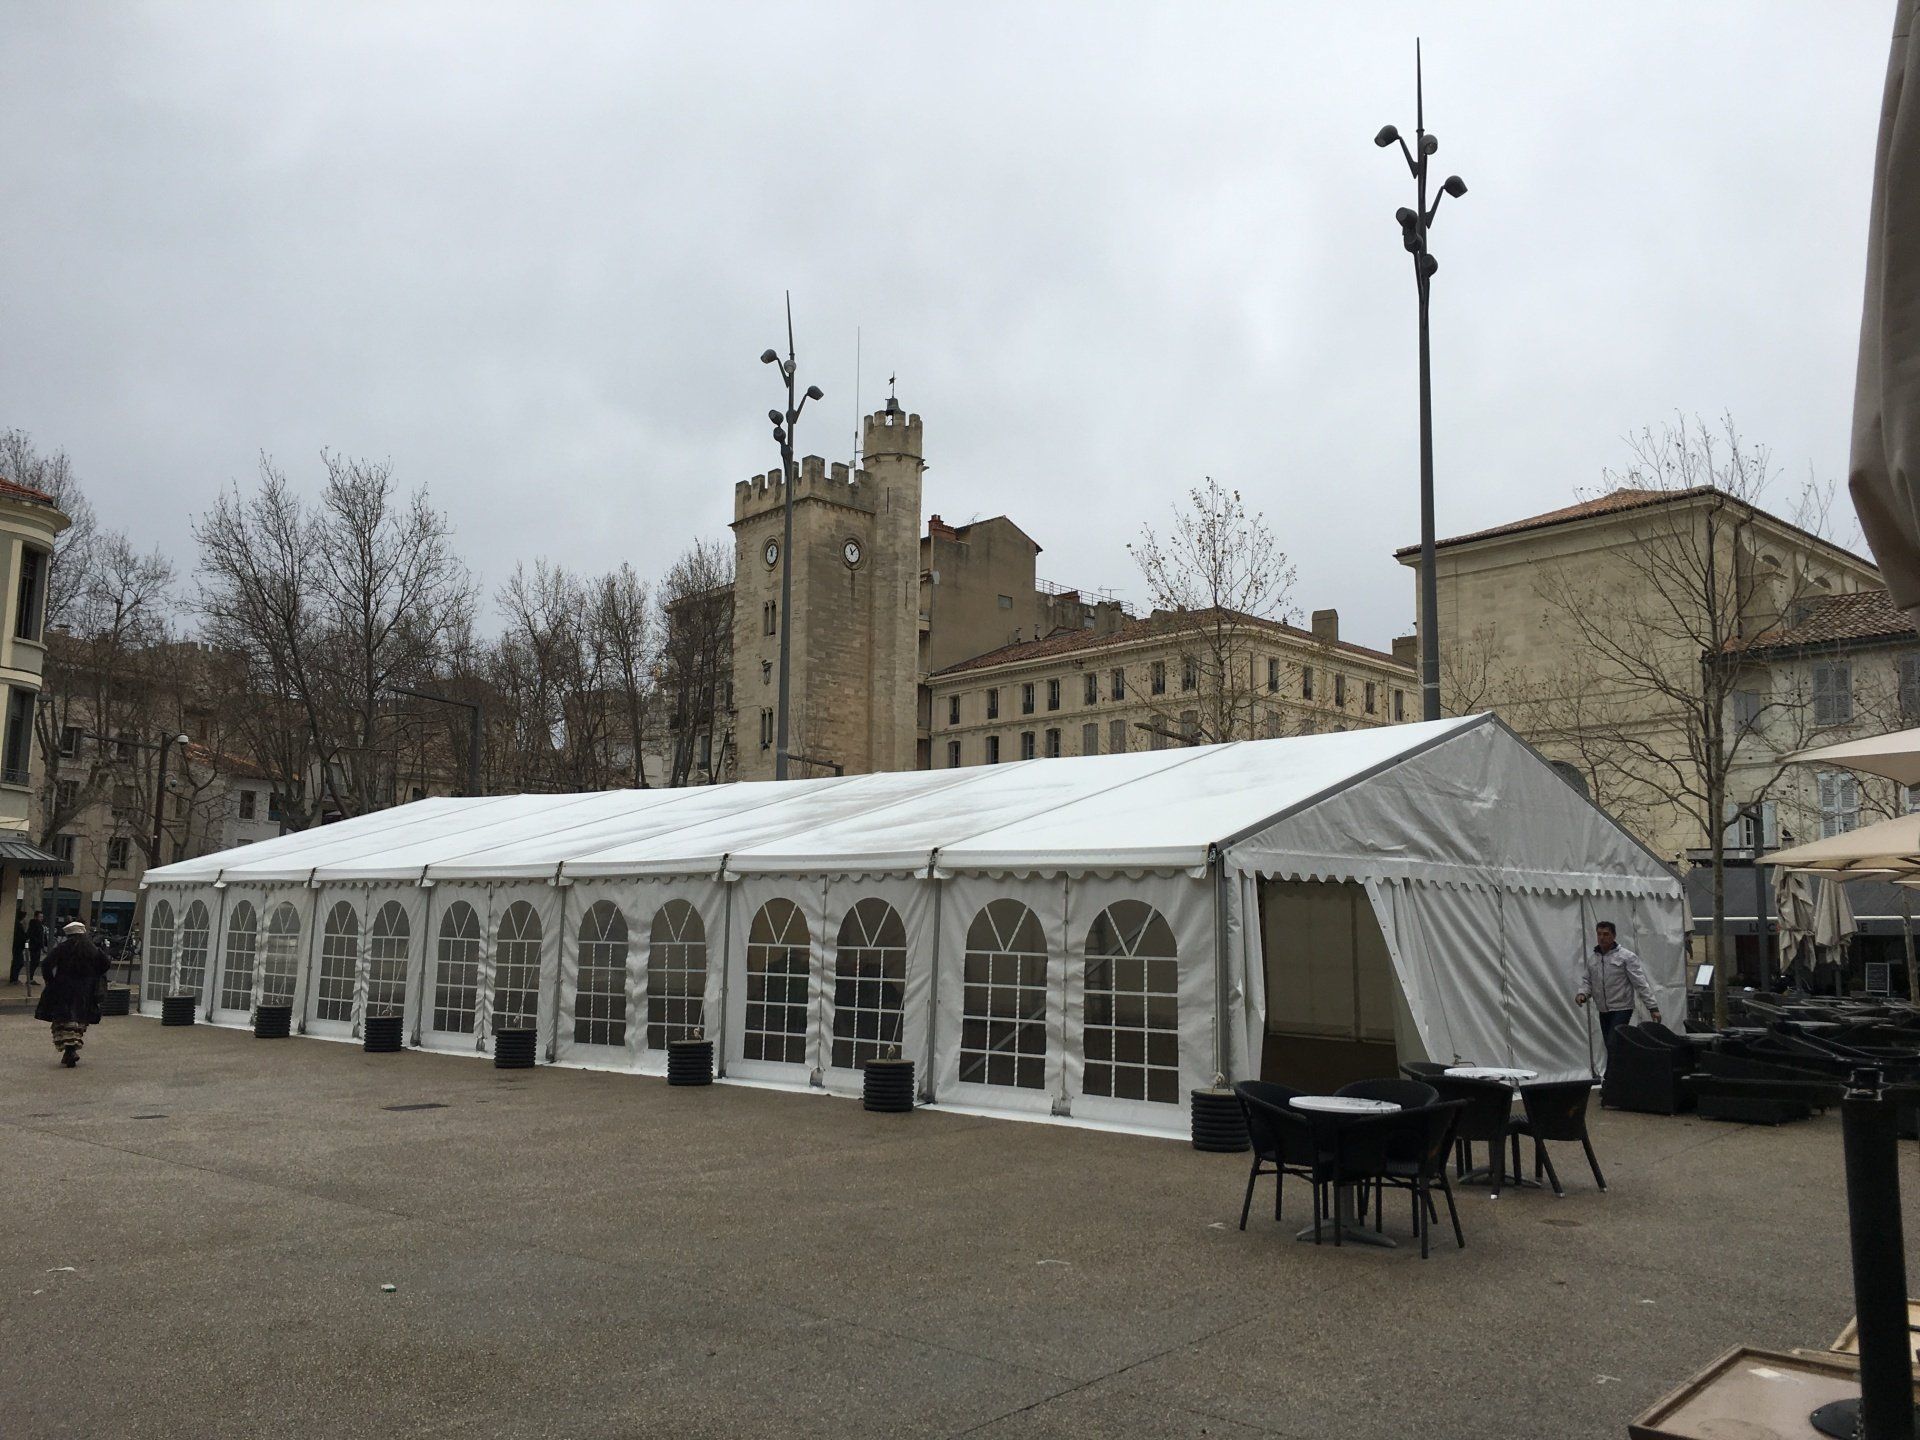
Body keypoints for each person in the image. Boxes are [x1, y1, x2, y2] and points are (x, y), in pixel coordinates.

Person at [35, 920, 111, 1067]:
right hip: (85, 990)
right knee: (79, 1019)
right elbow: (105, 964)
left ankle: (69, 1051)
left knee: (63, 1019)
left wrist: (51, 981)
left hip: (64, 987)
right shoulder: (92, 948)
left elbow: (46, 965)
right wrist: (93, 976)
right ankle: (71, 1050)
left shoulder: (63, 948)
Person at [1575, 920, 1661, 1046]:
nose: (1602, 938)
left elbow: (1640, 983)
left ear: (1614, 936)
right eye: (1599, 934)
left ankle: (1618, 1065)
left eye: (1606, 934)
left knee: (1613, 1042)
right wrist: (1582, 993)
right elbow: (1587, 981)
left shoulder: (1626, 957)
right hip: (1603, 1009)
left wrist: (1653, 1007)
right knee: (1610, 1044)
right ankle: (1618, 1065)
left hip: (1622, 1008)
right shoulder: (1594, 959)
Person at [24, 909, 48, 984]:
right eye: (40, 917)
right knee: (34, 962)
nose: (41, 918)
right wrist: (40, 944)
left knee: (35, 962)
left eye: (42, 917)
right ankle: (30, 978)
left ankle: (30, 978)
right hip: (35, 946)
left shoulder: (38, 924)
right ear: (36, 917)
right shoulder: (35, 924)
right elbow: (33, 935)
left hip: (36, 946)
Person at [8, 909, 24, 985]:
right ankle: (14, 979)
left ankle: (14, 978)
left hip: (17, 946)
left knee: (17, 962)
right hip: (18, 946)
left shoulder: (17, 924)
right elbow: (20, 936)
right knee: (18, 962)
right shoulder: (18, 925)